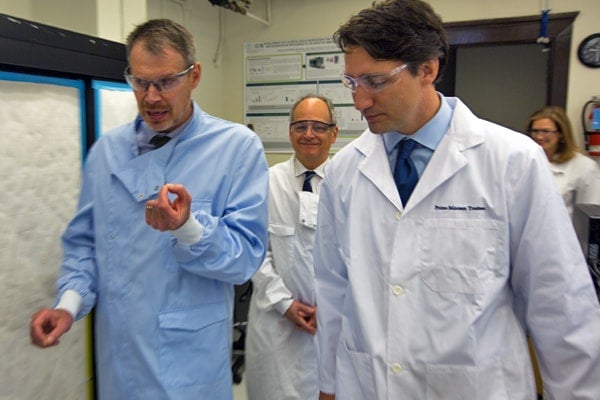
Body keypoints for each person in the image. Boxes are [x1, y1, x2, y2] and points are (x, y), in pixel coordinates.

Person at [313, 1, 600, 399]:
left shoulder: (511, 161)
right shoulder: (344, 171)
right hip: (369, 385)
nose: (360, 101)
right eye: (351, 83)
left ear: (427, 69)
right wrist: (328, 385)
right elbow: (332, 289)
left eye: (375, 82)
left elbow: (560, 302)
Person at [29, 19, 269, 400]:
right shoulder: (106, 152)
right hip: (120, 361)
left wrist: (188, 227)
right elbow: (84, 245)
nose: (152, 97)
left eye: (166, 81)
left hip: (190, 366)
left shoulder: (236, 148)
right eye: (140, 82)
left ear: (195, 76)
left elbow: (245, 259)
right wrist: (68, 305)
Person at [245, 94, 338, 400]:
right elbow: (255, 252)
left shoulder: (348, 185)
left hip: (331, 325)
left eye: (318, 127)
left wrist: (333, 306)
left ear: (333, 133)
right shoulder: (266, 182)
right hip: (275, 326)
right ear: (289, 132)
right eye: (300, 126)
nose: (309, 134)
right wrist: (285, 304)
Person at [526, 105, 600, 219]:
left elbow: (590, 215)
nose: (539, 136)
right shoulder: (525, 160)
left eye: (546, 131)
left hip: (565, 234)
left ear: (561, 133)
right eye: (535, 131)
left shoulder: (584, 166)